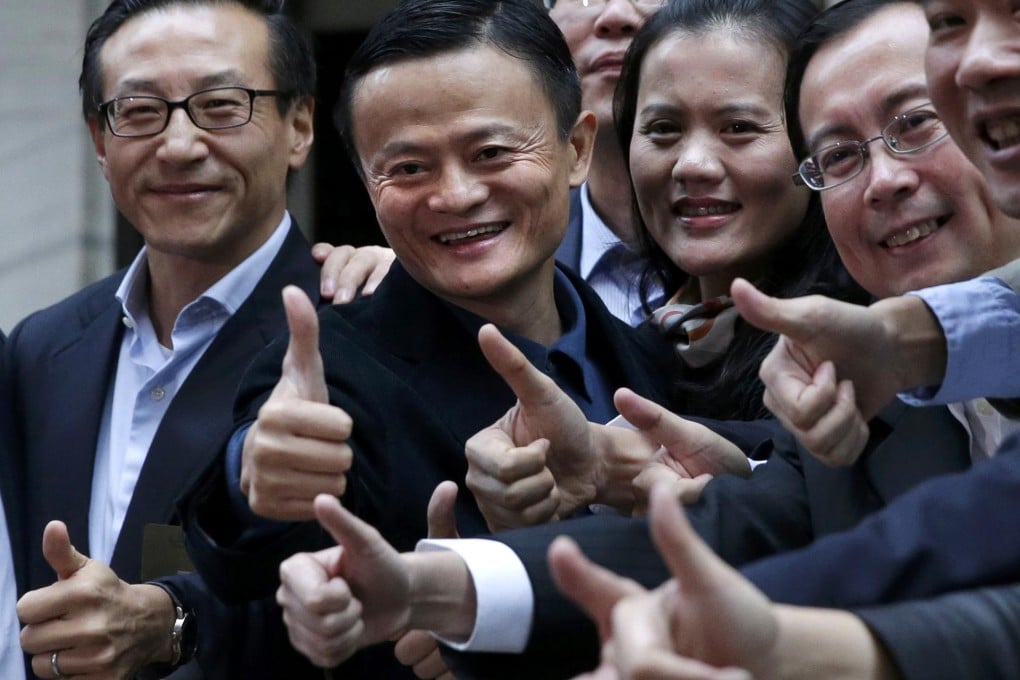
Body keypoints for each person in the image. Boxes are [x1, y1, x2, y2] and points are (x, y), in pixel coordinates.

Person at [271, 1, 1020, 677]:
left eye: (916, 125)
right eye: (840, 156)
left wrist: (792, 642)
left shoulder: (862, 365)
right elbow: (738, 524)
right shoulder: (839, 381)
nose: (883, 179)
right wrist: (428, 585)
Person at [180, 1, 758, 674]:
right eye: (408, 169)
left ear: (576, 148)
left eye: (490, 153)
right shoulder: (334, 375)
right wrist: (252, 475)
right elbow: (279, 561)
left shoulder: (652, 357)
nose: (454, 195)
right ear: (367, 184)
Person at [3, 0, 324, 677]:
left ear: (299, 125)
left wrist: (176, 622)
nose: (179, 146)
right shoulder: (41, 348)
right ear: (99, 139)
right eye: (141, 112)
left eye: (221, 104)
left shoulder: (364, 325)